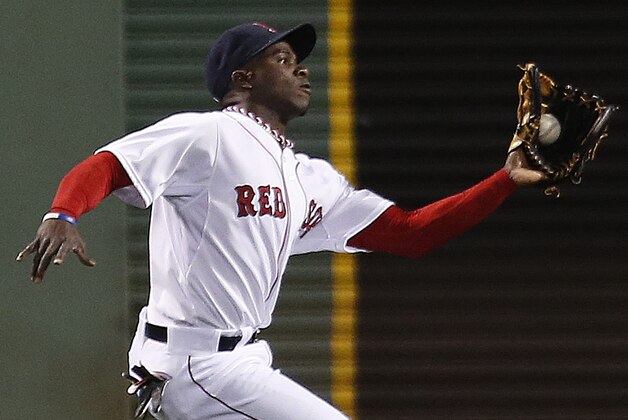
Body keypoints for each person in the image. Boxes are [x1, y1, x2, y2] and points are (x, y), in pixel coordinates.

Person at [17, 22, 545, 419]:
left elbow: (410, 234)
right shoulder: (208, 135)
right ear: (243, 78)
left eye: (298, 59)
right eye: (283, 58)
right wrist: (63, 213)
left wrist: (503, 180)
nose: (302, 68)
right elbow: (107, 166)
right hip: (194, 363)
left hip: (241, 359)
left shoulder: (307, 176)